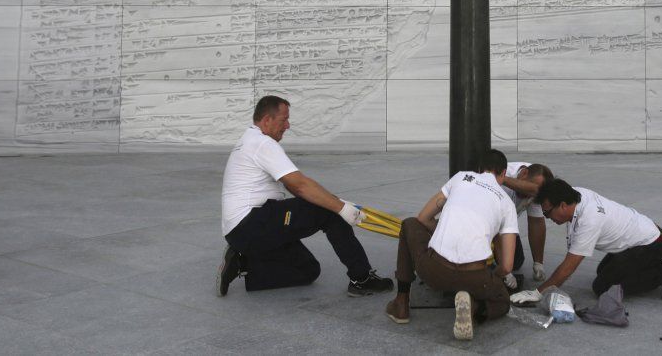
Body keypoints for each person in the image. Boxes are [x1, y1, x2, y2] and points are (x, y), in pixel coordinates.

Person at [216, 95, 393, 297]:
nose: (288, 125)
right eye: (284, 120)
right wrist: (339, 208)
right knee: (329, 212)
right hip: (252, 223)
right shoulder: (262, 144)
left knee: (308, 271)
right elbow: (300, 186)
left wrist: (334, 201)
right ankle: (362, 279)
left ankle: (243, 262)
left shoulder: (249, 140)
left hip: (242, 232)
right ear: (267, 120)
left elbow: (293, 186)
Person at [384, 149, 518, 340]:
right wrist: (492, 277)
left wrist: (442, 230)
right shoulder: (507, 204)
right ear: (503, 174)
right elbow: (507, 266)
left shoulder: (462, 178)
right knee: (503, 302)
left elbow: (423, 217)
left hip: (434, 271)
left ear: (480, 169)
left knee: (409, 224)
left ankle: (401, 303)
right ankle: (474, 308)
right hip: (476, 278)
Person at [509, 179, 662, 305]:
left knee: (602, 287)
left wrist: (538, 293)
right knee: (603, 271)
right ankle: (654, 266)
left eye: (547, 213)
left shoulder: (590, 219)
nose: (547, 218)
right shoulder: (575, 194)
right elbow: (546, 186)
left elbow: (569, 266)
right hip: (640, 238)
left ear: (563, 205)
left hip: (652, 244)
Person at [499, 162, 554, 285]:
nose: (529, 194)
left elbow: (536, 223)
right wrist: (504, 270)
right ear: (524, 173)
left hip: (505, 226)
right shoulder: (502, 177)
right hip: (485, 227)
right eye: (528, 189)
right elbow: (494, 228)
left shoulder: (538, 184)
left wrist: (538, 263)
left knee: (516, 261)